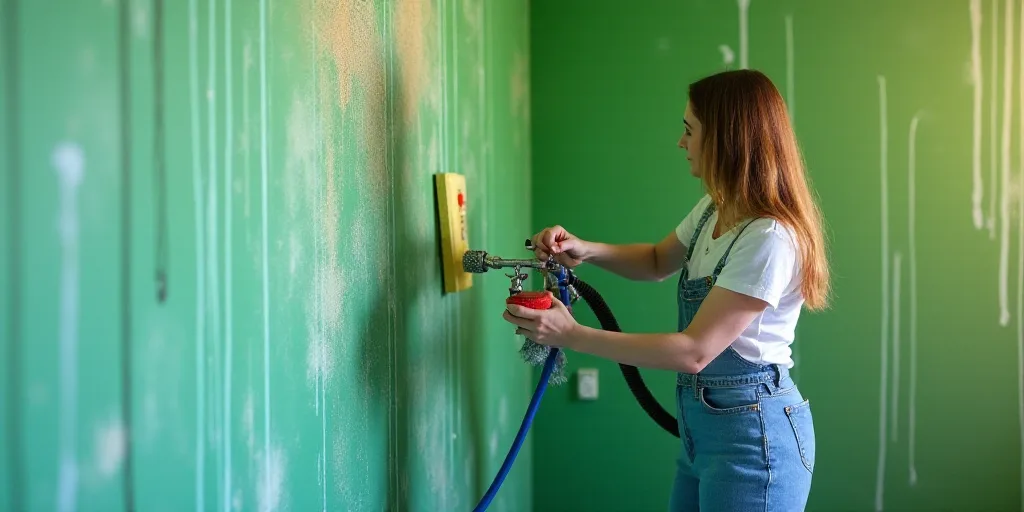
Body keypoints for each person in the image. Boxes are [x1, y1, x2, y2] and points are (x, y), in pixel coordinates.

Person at [501, 69, 829, 511]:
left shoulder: (768, 237)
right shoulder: (715, 209)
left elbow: (695, 351)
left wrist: (569, 334)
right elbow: (657, 261)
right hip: (704, 433)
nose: (681, 142)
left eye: (690, 130)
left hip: (754, 441)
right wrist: (585, 250)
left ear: (726, 140)